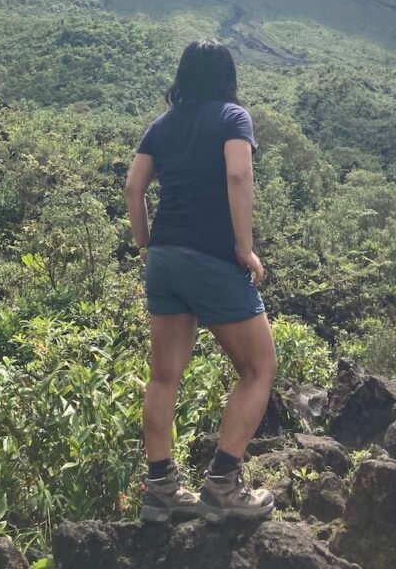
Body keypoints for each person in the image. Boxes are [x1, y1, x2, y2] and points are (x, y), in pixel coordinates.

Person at [125, 39, 277, 524]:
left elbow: (132, 186)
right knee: (259, 367)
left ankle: (161, 491)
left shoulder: (162, 125)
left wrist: (145, 242)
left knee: (164, 375)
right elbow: (238, 176)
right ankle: (223, 486)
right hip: (211, 255)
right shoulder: (233, 117)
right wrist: (244, 248)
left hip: (164, 257)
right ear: (227, 76)